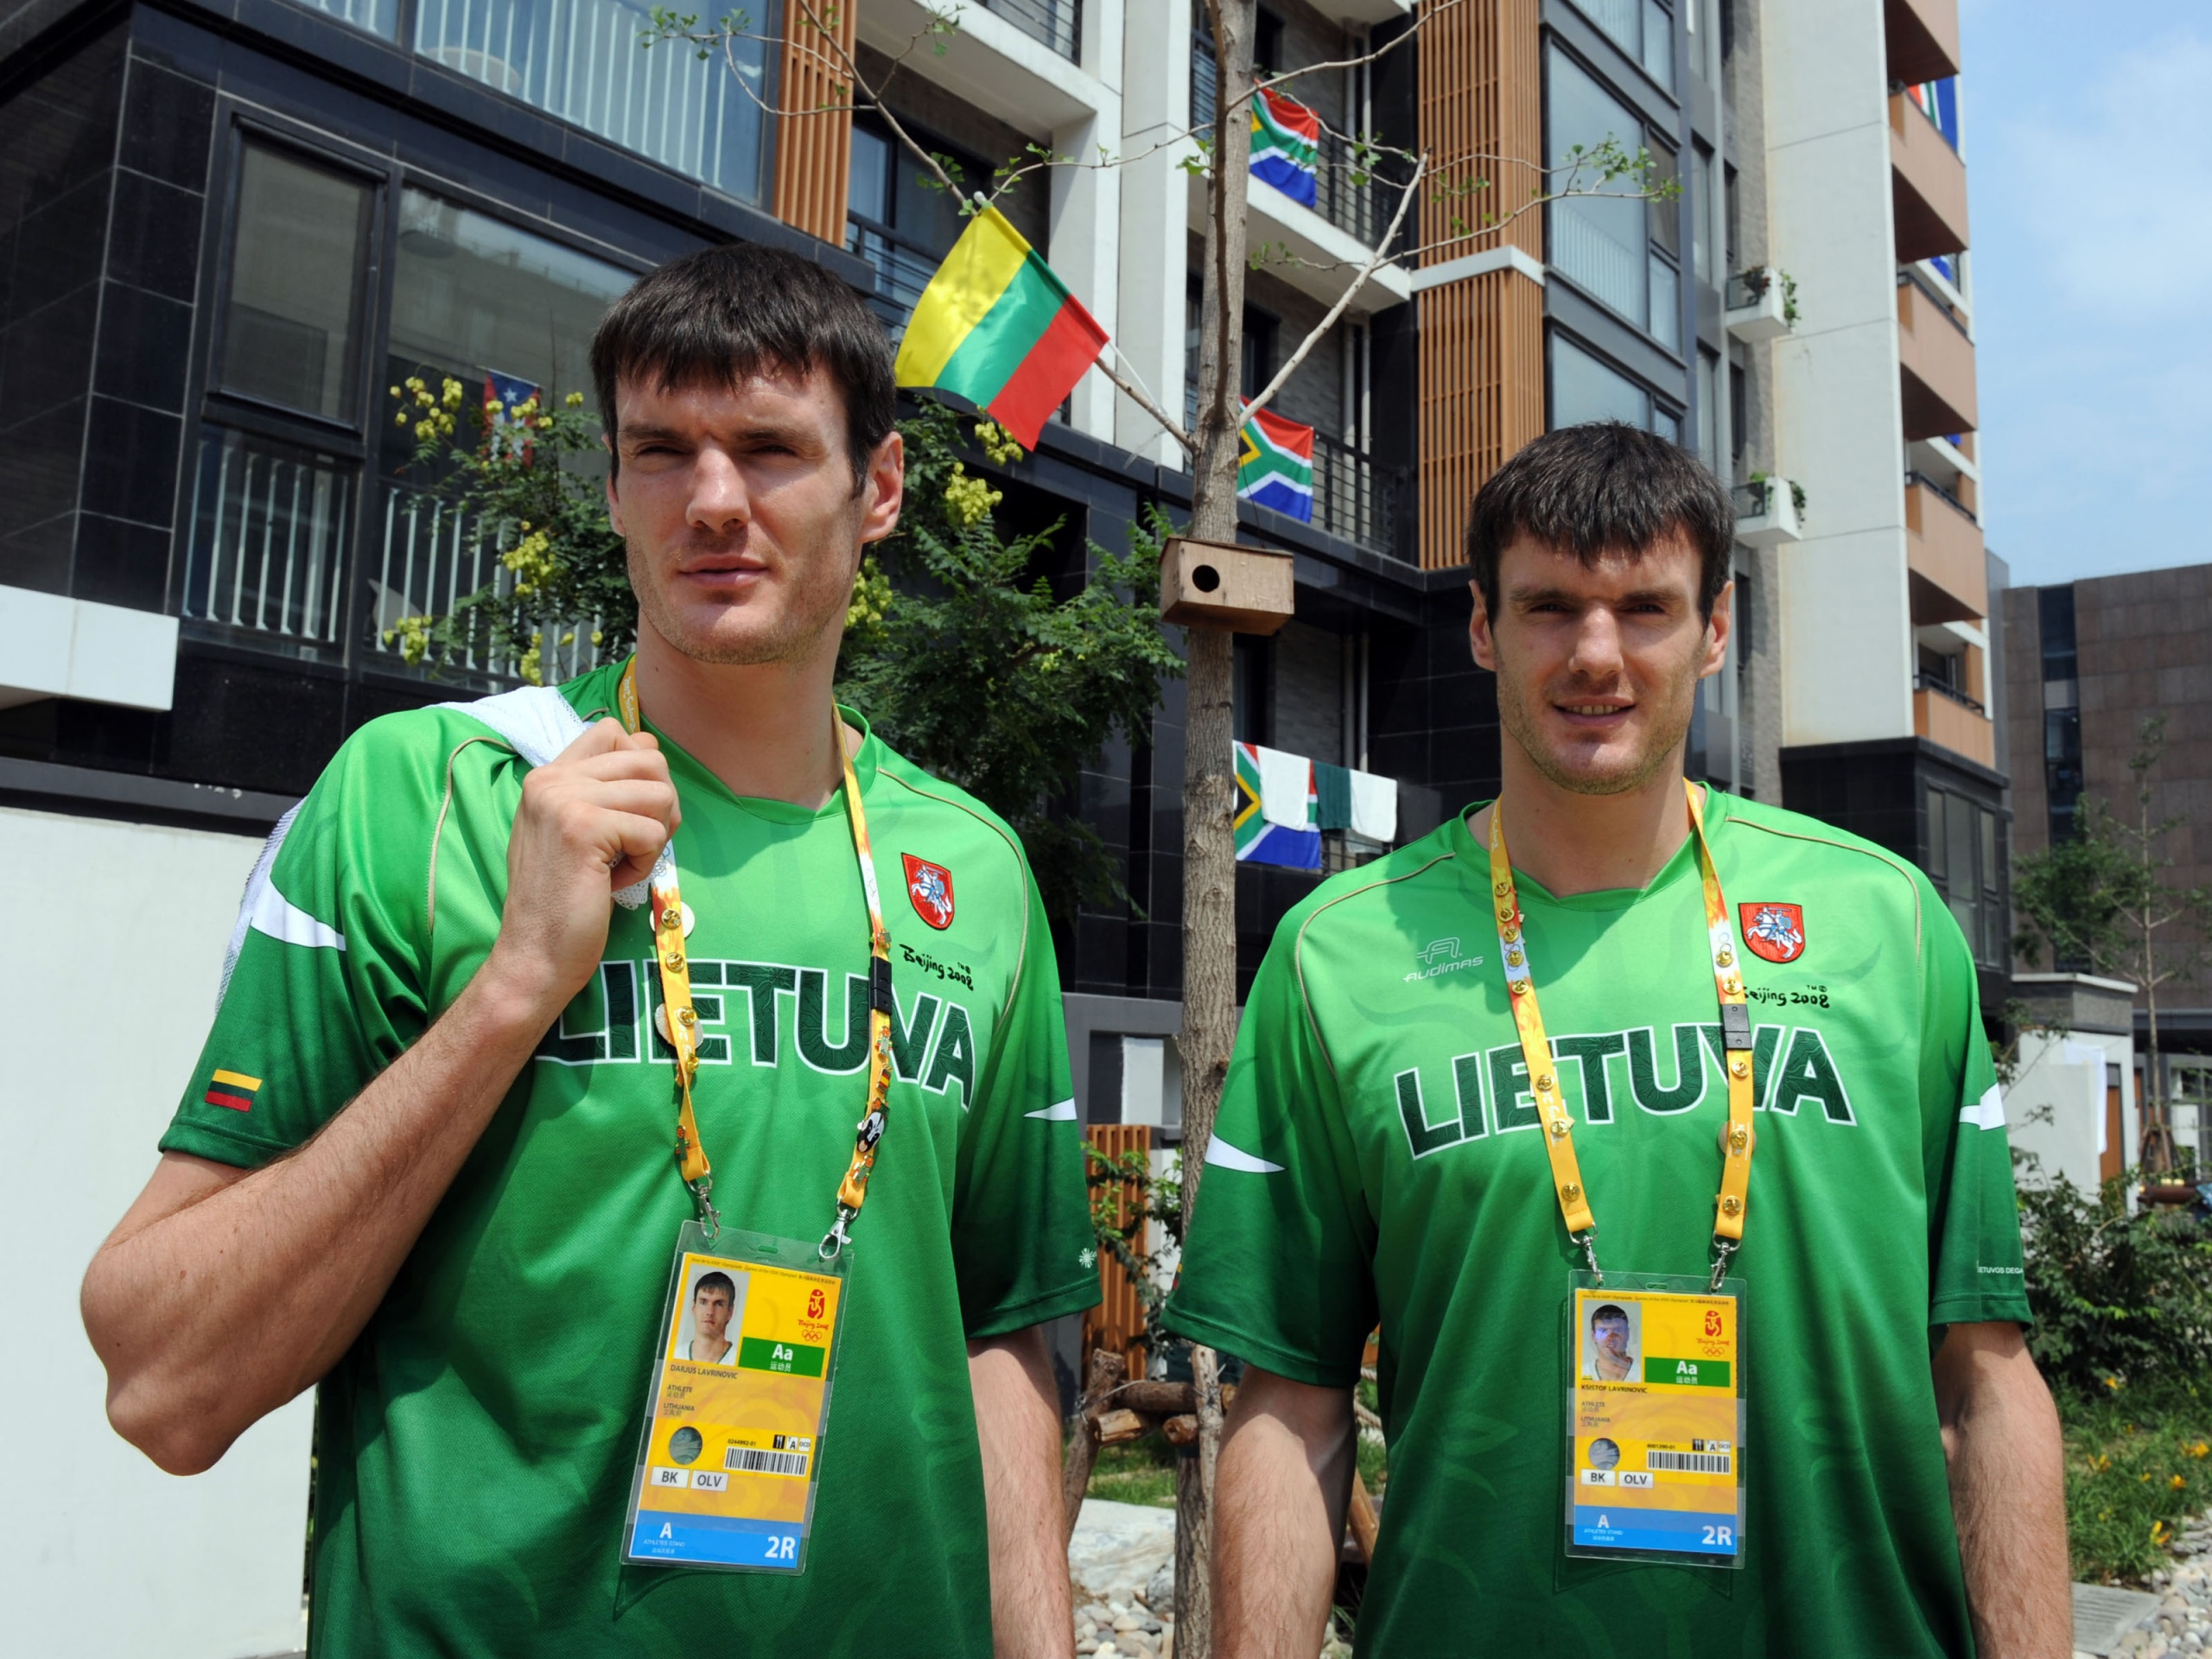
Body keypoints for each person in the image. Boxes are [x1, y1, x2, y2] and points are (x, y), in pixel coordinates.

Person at [82, 244, 1096, 1658]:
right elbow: (161, 1383)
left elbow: (1003, 1336)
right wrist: (511, 989)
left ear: (877, 492)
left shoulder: (974, 872)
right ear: (613, 488)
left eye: (768, 449)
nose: (715, 502)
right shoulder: (424, 794)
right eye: (663, 451)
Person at [1162, 423, 2070, 1657]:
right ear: (1482, 627)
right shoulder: (1338, 955)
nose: (1597, 655)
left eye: (1644, 608)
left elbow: (1985, 1375)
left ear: (1714, 629)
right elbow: (1292, 1406)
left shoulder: (1886, 926)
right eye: (1549, 608)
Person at [688, 1270, 738, 1365]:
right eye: (703, 1302)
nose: (710, 1312)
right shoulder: (674, 1354)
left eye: (719, 1304)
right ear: (694, 1307)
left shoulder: (739, 1362)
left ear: (730, 1312)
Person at [1586, 1303, 1634, 1382]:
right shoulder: (1580, 1373)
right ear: (1593, 1336)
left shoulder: (1645, 1373)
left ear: (1627, 1334)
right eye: (1603, 1331)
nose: (1610, 1338)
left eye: (1617, 1330)